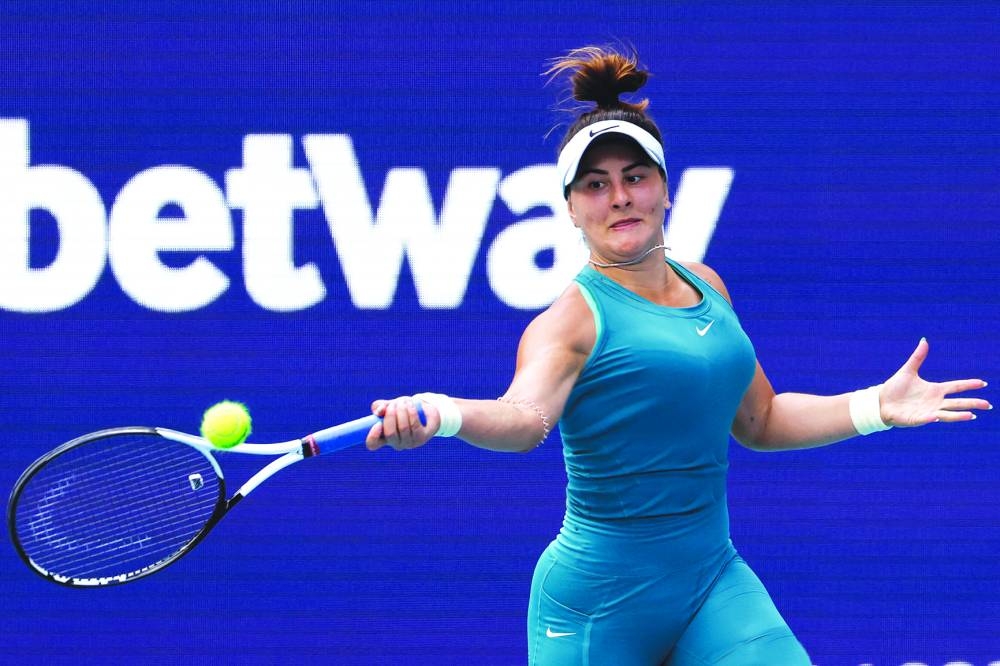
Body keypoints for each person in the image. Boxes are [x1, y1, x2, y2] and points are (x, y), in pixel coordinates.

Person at [364, 46, 991, 665]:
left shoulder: (708, 286)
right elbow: (524, 419)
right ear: (572, 210)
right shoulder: (570, 321)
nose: (619, 197)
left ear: (665, 190)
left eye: (635, 177)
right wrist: (443, 412)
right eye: (596, 184)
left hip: (713, 580)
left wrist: (875, 405)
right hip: (597, 606)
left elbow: (761, 421)